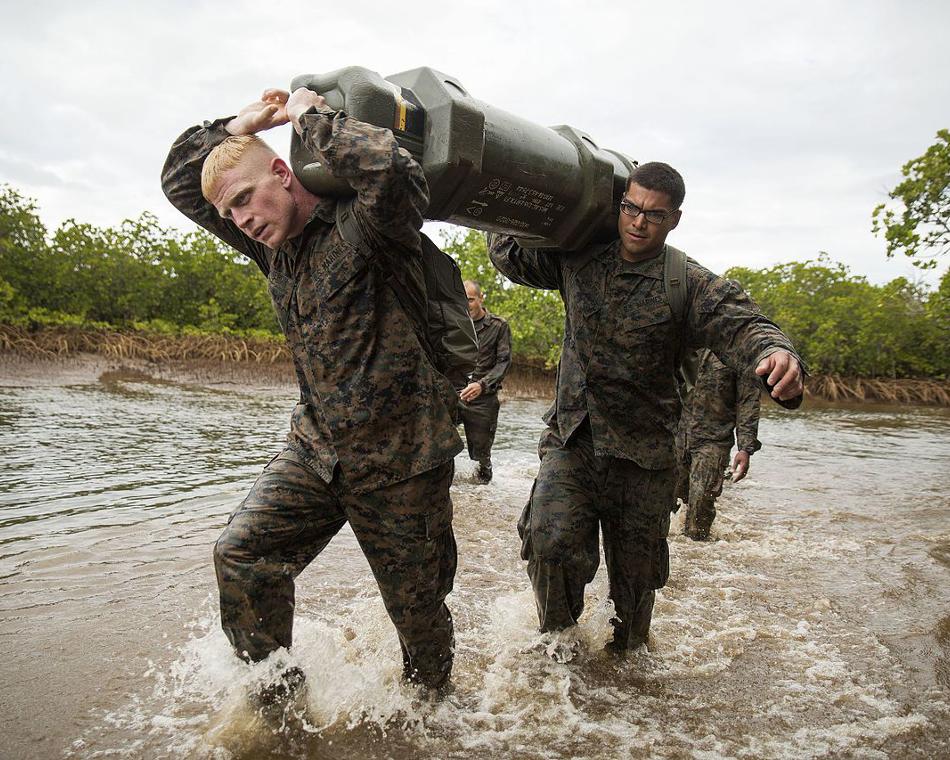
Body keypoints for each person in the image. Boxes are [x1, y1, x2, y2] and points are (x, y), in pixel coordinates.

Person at [161, 86, 463, 698]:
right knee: (242, 556)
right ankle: (280, 707)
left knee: (419, 620)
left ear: (283, 172)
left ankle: (431, 721)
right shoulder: (269, 246)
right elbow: (180, 183)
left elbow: (393, 169)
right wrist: (234, 125)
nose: (240, 218)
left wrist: (309, 117)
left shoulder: (370, 225)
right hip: (317, 453)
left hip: (402, 460)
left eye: (245, 199)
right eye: (229, 214)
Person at [487, 161, 805, 657]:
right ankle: (558, 652)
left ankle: (630, 668)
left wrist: (775, 354)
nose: (638, 222)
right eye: (630, 208)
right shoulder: (580, 257)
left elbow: (745, 324)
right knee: (549, 541)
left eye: (653, 215)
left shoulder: (686, 282)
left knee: (634, 594)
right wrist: (506, 198)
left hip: (647, 459)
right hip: (575, 441)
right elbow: (512, 256)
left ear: (674, 219)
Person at [675, 347, 762, 541]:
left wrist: (745, 448)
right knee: (668, 506)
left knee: (699, 510)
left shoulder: (740, 352)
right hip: (677, 434)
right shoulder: (686, 341)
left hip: (713, 440)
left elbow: (748, 401)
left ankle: (699, 556)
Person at [457, 280, 512, 483]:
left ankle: (482, 499)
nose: (466, 304)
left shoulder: (498, 326)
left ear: (481, 298)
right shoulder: (453, 324)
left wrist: (482, 385)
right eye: (462, 300)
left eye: (470, 300)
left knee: (480, 462)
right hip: (454, 394)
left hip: (483, 401)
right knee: (435, 446)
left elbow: (503, 363)